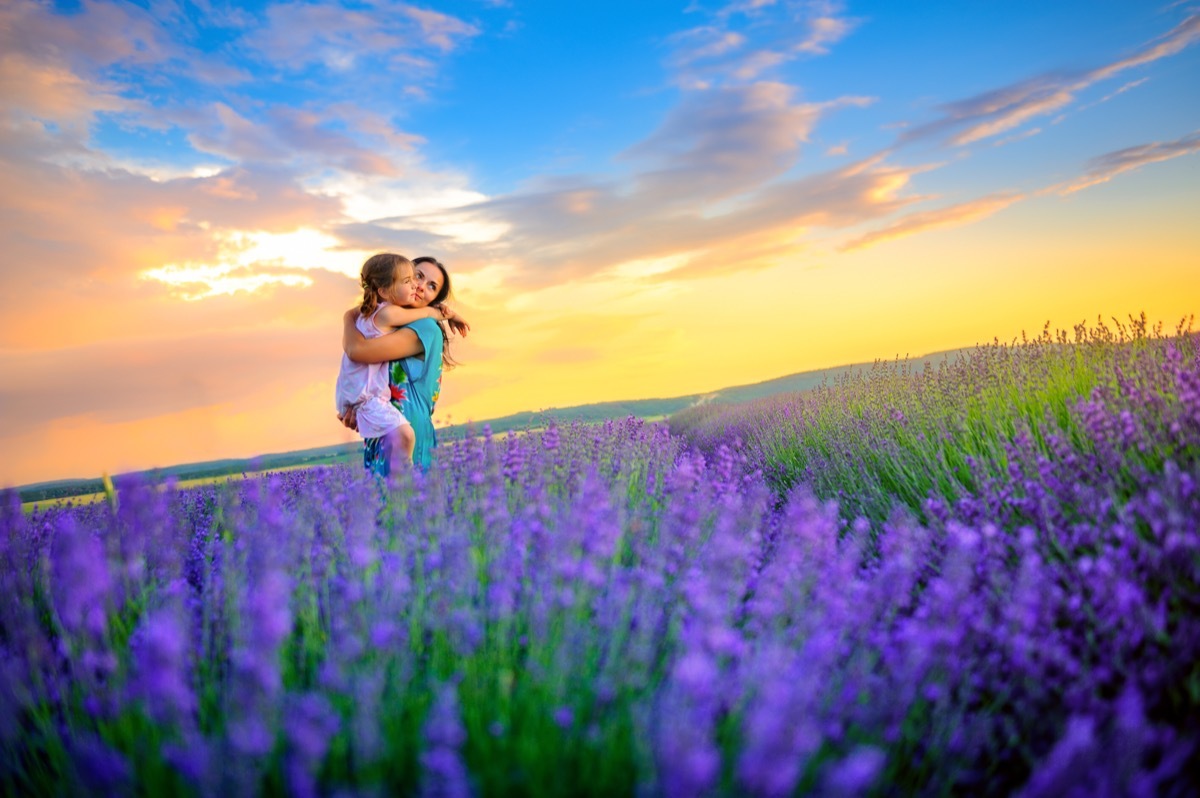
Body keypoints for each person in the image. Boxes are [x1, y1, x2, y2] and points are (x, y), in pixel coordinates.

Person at [340, 256, 468, 472]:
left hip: (407, 431)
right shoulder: (388, 325)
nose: (420, 286)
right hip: (383, 426)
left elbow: (357, 351)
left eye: (431, 286)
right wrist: (358, 407)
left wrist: (347, 318)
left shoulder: (426, 328)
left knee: (406, 500)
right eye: (417, 276)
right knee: (385, 502)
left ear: (434, 300)